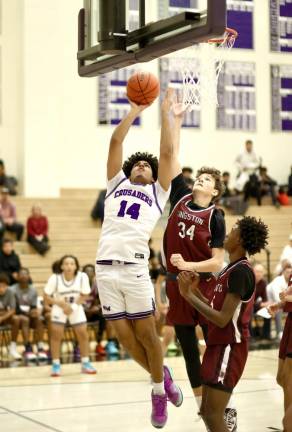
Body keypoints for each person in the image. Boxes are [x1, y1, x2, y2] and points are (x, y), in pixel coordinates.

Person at [95, 89, 182, 429]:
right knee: (123, 336)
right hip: (105, 268)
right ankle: (163, 376)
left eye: (148, 165)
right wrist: (133, 111)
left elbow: (166, 151)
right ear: (131, 171)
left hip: (133, 268)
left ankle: (158, 392)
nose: (144, 166)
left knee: (147, 335)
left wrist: (163, 115)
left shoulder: (158, 194)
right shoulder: (115, 184)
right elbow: (115, 144)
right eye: (139, 164)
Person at [161, 102, 231, 427]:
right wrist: (175, 119)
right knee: (189, 350)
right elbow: (172, 156)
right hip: (177, 284)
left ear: (214, 191)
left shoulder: (216, 216)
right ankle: (205, 409)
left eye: (206, 179)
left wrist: (188, 262)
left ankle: (221, 402)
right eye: (199, 176)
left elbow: (217, 260)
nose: (200, 180)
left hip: (202, 285)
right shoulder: (179, 195)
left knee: (214, 345)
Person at [178, 216, 269, 432]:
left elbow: (221, 319)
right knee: (207, 412)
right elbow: (215, 310)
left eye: (233, 232)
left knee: (212, 413)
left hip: (230, 347)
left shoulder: (241, 271)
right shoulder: (229, 270)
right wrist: (193, 291)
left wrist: (188, 297)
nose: (227, 235)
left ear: (241, 240)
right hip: (217, 346)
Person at [44, 255, 96, 376]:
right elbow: (46, 297)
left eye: (72, 264)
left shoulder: (82, 277)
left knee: (83, 335)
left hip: (76, 307)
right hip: (59, 307)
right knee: (56, 335)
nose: (69, 266)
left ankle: (85, 363)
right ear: (61, 266)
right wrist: (59, 303)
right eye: (66, 264)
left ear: (76, 266)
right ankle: (56, 364)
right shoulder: (55, 278)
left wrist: (72, 307)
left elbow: (85, 295)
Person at [269, 268, 292, 432]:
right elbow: (287, 298)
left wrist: (288, 296)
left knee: (289, 380)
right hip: (290, 323)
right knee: (281, 378)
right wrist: (279, 305)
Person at [10, 268, 47, 361]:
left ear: (29, 276)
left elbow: (33, 306)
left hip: (28, 315)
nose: (23, 276)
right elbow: (13, 308)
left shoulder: (33, 290)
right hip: (17, 316)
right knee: (24, 319)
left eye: (25, 274)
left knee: (39, 319)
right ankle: (27, 348)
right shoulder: (11, 290)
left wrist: (34, 312)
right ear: (17, 277)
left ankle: (40, 346)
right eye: (21, 274)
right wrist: (27, 313)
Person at [0, 273, 16, 355]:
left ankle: (13, 347)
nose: (1, 288)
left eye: (4, 286)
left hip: (4, 318)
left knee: (16, 319)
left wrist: (2, 318)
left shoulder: (10, 292)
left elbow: (13, 310)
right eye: (0, 286)